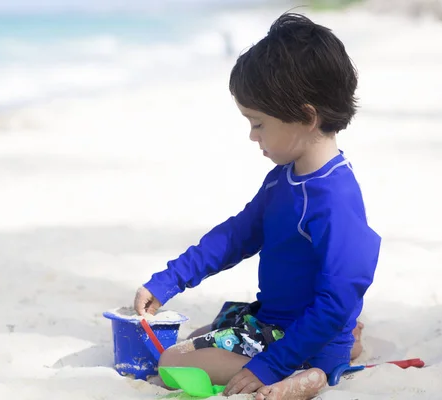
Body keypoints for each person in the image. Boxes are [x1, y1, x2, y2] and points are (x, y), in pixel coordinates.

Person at [133, 12, 381, 400]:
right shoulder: (287, 175)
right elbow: (237, 236)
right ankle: (336, 352)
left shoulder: (335, 198)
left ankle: (307, 373)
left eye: (258, 123)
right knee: (202, 335)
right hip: (280, 320)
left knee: (172, 363)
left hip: (294, 339)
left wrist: (271, 365)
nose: (252, 135)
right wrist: (168, 280)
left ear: (305, 116)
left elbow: (341, 294)